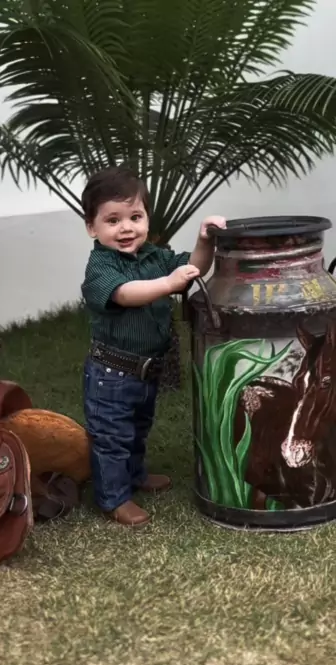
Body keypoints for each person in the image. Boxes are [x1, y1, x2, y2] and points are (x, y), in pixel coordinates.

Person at [81, 165, 226, 527]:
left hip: (145, 371)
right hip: (111, 373)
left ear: (147, 218)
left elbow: (192, 269)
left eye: (135, 217)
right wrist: (168, 284)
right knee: (112, 435)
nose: (126, 228)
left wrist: (205, 242)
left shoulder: (155, 256)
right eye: (112, 220)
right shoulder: (100, 266)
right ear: (91, 228)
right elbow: (125, 294)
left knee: (137, 428)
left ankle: (135, 474)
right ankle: (113, 497)